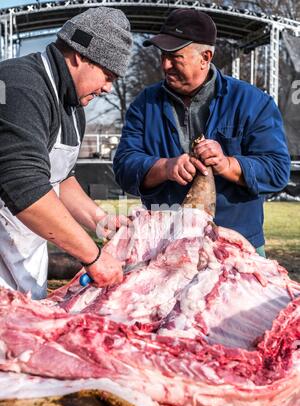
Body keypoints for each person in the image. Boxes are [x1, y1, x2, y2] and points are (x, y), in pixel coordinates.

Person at [113, 9, 290, 257]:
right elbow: (123, 166)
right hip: (163, 246)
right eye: (163, 55)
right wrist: (164, 168)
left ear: (205, 57)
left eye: (175, 57)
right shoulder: (145, 104)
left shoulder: (253, 102)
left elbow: (277, 171)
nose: (165, 64)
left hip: (235, 247)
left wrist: (228, 163)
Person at [0, 7, 133, 299]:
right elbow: (24, 185)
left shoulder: (73, 107)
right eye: (108, 75)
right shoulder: (20, 86)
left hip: (23, 265)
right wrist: (93, 257)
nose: (108, 88)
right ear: (80, 55)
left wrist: (100, 220)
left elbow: (60, 178)